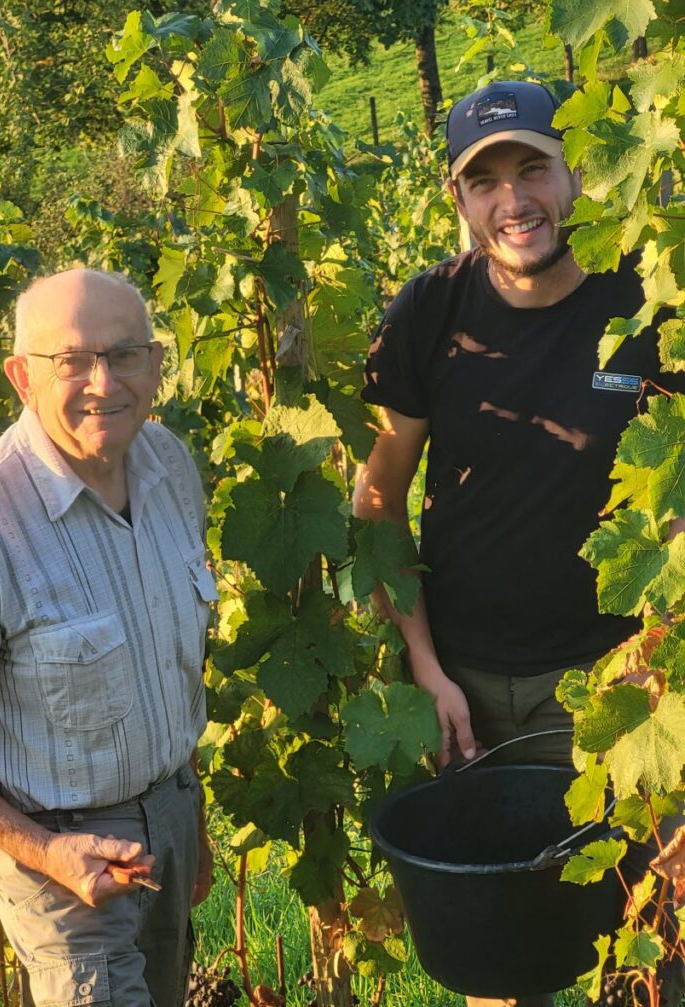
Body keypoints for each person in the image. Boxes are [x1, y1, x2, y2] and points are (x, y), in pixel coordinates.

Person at [353, 80, 683, 1007]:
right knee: (501, 956)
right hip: (468, 691)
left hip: (621, 689)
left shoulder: (646, 304)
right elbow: (379, 499)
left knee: (653, 940)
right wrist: (424, 665)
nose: (514, 201)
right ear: (458, 200)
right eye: (485, 180)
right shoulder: (430, 311)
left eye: (532, 168)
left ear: (573, 175)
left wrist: (658, 670)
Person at [0, 268, 218, 1007]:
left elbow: (169, 668)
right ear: (21, 375)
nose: (103, 381)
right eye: (72, 360)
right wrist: (48, 851)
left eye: (124, 355)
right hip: (60, 862)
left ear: (154, 363)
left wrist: (188, 817)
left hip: (169, 818)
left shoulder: (171, 466)